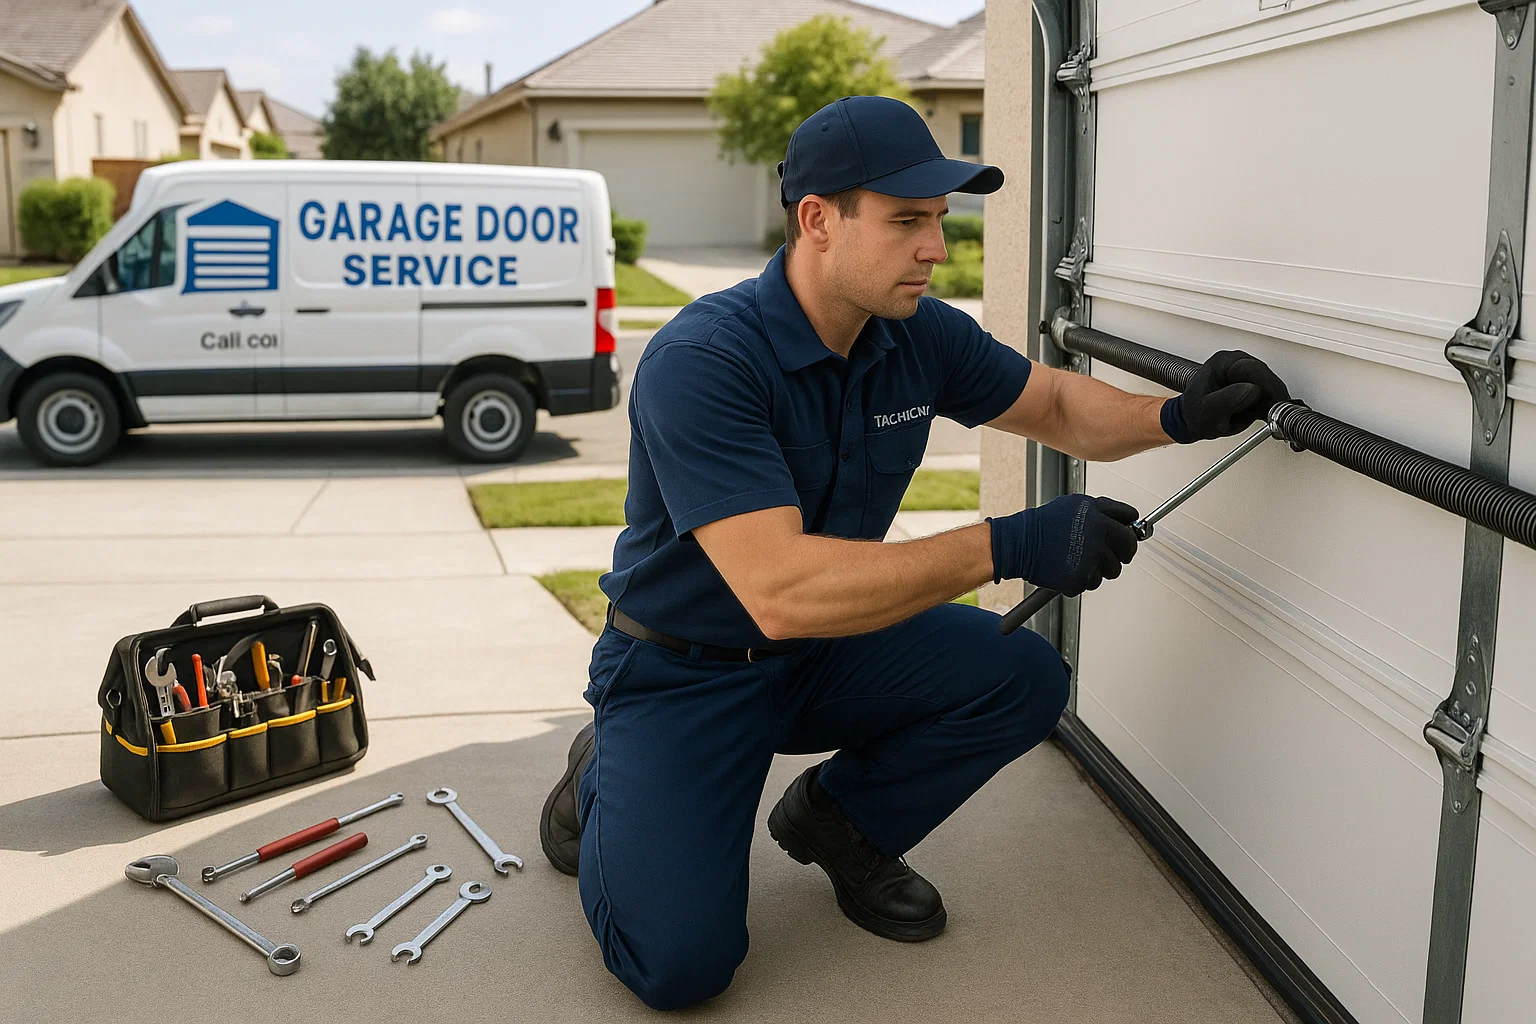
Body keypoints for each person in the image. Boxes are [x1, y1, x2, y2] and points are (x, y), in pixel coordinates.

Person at [538, 95, 1290, 1011]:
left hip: (821, 655)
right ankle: (607, 770)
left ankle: (842, 822)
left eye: (938, 219)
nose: (935, 246)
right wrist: (1008, 543)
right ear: (818, 220)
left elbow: (1050, 405)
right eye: (906, 221)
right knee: (681, 969)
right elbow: (779, 588)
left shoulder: (913, 335)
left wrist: (1176, 417)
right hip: (683, 671)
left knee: (1021, 675)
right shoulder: (707, 359)